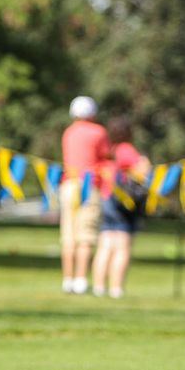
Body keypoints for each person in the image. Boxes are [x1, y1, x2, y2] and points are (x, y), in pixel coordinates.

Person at [91, 117, 150, 299]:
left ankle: (99, 287)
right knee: (122, 247)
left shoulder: (110, 151)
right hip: (122, 202)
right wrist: (145, 162)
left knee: (105, 245)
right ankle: (116, 289)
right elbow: (142, 170)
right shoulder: (126, 149)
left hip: (106, 198)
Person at [59, 95, 110, 295]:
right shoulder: (99, 132)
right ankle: (81, 280)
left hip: (68, 185)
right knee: (85, 235)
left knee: (68, 236)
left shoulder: (68, 133)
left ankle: (67, 280)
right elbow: (105, 157)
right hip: (88, 186)